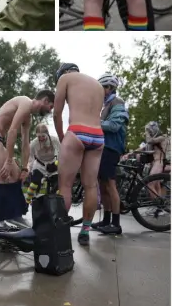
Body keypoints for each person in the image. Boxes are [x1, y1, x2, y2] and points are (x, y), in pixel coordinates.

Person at [0, 90, 55, 224]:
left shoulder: (28, 116)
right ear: (45, 101)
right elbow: (12, 131)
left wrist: (25, 168)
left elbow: (25, 143)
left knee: (17, 175)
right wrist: (8, 161)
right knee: (3, 177)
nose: (50, 110)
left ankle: (16, 215)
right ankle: (0, 222)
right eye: (51, 106)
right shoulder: (25, 102)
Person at [52, 63, 105, 245]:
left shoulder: (65, 78)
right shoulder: (98, 86)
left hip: (76, 132)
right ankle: (85, 230)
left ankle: (59, 230)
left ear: (63, 72)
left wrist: (62, 136)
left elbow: (56, 112)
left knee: (65, 185)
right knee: (90, 186)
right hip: (98, 136)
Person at [94, 73, 128, 236]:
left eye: (101, 88)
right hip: (104, 147)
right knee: (102, 185)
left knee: (110, 185)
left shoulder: (117, 102)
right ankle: (106, 220)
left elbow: (114, 125)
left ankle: (116, 223)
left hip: (112, 147)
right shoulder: (105, 105)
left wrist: (94, 123)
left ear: (108, 88)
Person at [24, 122, 58, 203]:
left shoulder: (54, 140)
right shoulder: (33, 143)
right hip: (39, 165)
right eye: (39, 136)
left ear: (47, 134)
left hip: (52, 163)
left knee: (57, 185)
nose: (41, 138)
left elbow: (61, 153)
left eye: (43, 136)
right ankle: (29, 201)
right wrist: (29, 170)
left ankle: (53, 202)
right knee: (34, 183)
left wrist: (56, 164)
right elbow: (31, 158)